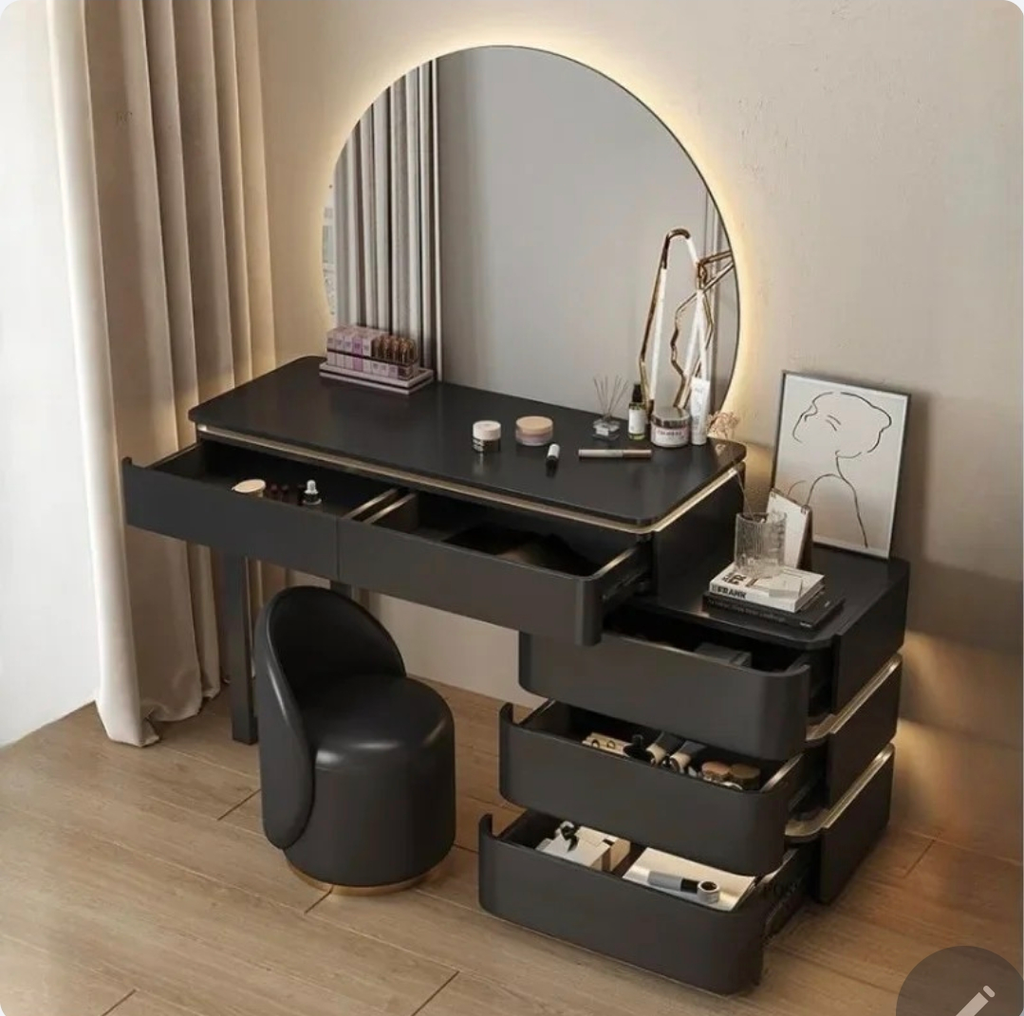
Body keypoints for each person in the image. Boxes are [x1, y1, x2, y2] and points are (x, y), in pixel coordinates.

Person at [785, 390, 892, 548]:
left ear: (846, 445)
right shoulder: (798, 477)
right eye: (813, 409)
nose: (808, 416)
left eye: (829, 422)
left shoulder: (830, 484)